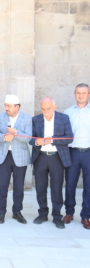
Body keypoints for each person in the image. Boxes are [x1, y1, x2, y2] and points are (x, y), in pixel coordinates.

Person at [30, 97, 73, 229]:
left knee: (56, 188)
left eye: (48, 108)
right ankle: (42, 213)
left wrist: (52, 140)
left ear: (54, 107)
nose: (46, 111)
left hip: (57, 158)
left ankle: (57, 216)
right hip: (41, 157)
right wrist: (36, 141)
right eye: (43, 109)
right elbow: (31, 138)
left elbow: (69, 138)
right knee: (40, 188)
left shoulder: (63, 118)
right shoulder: (36, 119)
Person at [0, 95, 32, 224]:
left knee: (18, 186)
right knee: (2, 185)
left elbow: (28, 137)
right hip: (4, 156)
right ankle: (1, 212)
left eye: (8, 106)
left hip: (20, 156)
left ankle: (17, 212)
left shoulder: (26, 118)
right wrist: (4, 138)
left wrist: (16, 133)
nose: (6, 108)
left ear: (17, 107)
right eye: (5, 105)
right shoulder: (1, 117)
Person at [63, 83, 90, 229]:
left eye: (84, 93)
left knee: (88, 186)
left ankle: (86, 216)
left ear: (88, 95)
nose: (81, 95)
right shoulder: (67, 113)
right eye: (78, 93)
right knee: (70, 184)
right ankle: (69, 212)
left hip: (89, 153)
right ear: (75, 94)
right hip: (72, 152)